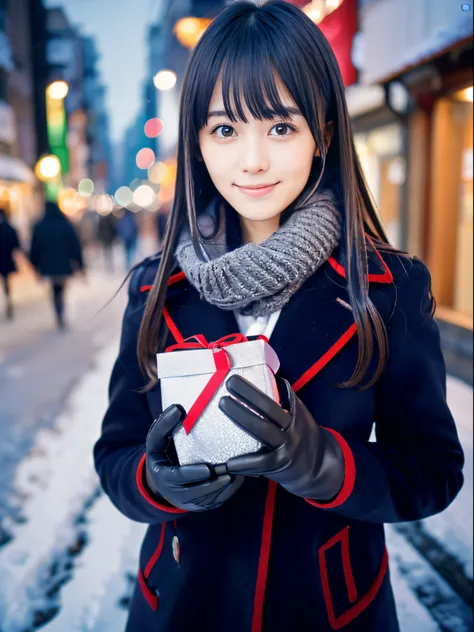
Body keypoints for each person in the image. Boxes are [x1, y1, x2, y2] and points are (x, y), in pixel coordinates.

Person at [93, 2, 464, 631]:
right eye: (225, 130)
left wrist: (321, 462)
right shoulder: (158, 289)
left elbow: (433, 471)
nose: (253, 161)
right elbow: (116, 453)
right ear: (198, 142)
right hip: (182, 601)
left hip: (326, 607)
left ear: (322, 130)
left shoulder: (389, 289)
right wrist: (155, 481)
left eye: (281, 128)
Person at [29, 200, 84, 330]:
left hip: (48, 266)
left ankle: (58, 311)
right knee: (61, 288)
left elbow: (34, 248)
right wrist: (80, 264)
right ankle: (60, 310)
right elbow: (75, 246)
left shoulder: (40, 226)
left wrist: (35, 265)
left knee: (55, 289)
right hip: (63, 264)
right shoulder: (65, 224)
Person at [0, 206, 21, 320]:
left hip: (4, 259)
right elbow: (16, 244)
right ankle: (8, 298)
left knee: (5, 280)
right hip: (7, 259)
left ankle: (7, 299)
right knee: (6, 280)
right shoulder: (10, 228)